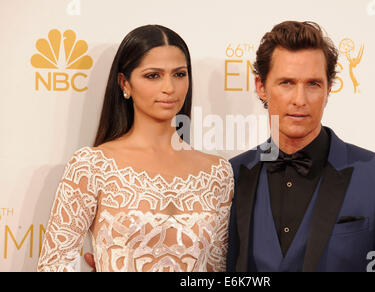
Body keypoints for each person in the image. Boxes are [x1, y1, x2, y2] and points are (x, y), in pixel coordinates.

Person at [37, 25, 234, 272]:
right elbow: (54, 264)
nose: (169, 88)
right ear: (125, 83)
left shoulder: (218, 173)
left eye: (179, 74)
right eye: (153, 75)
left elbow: (216, 268)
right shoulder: (92, 166)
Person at [226, 21, 375, 272]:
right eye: (286, 83)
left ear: (328, 89)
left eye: (313, 84)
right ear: (261, 87)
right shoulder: (232, 175)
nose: (300, 100)